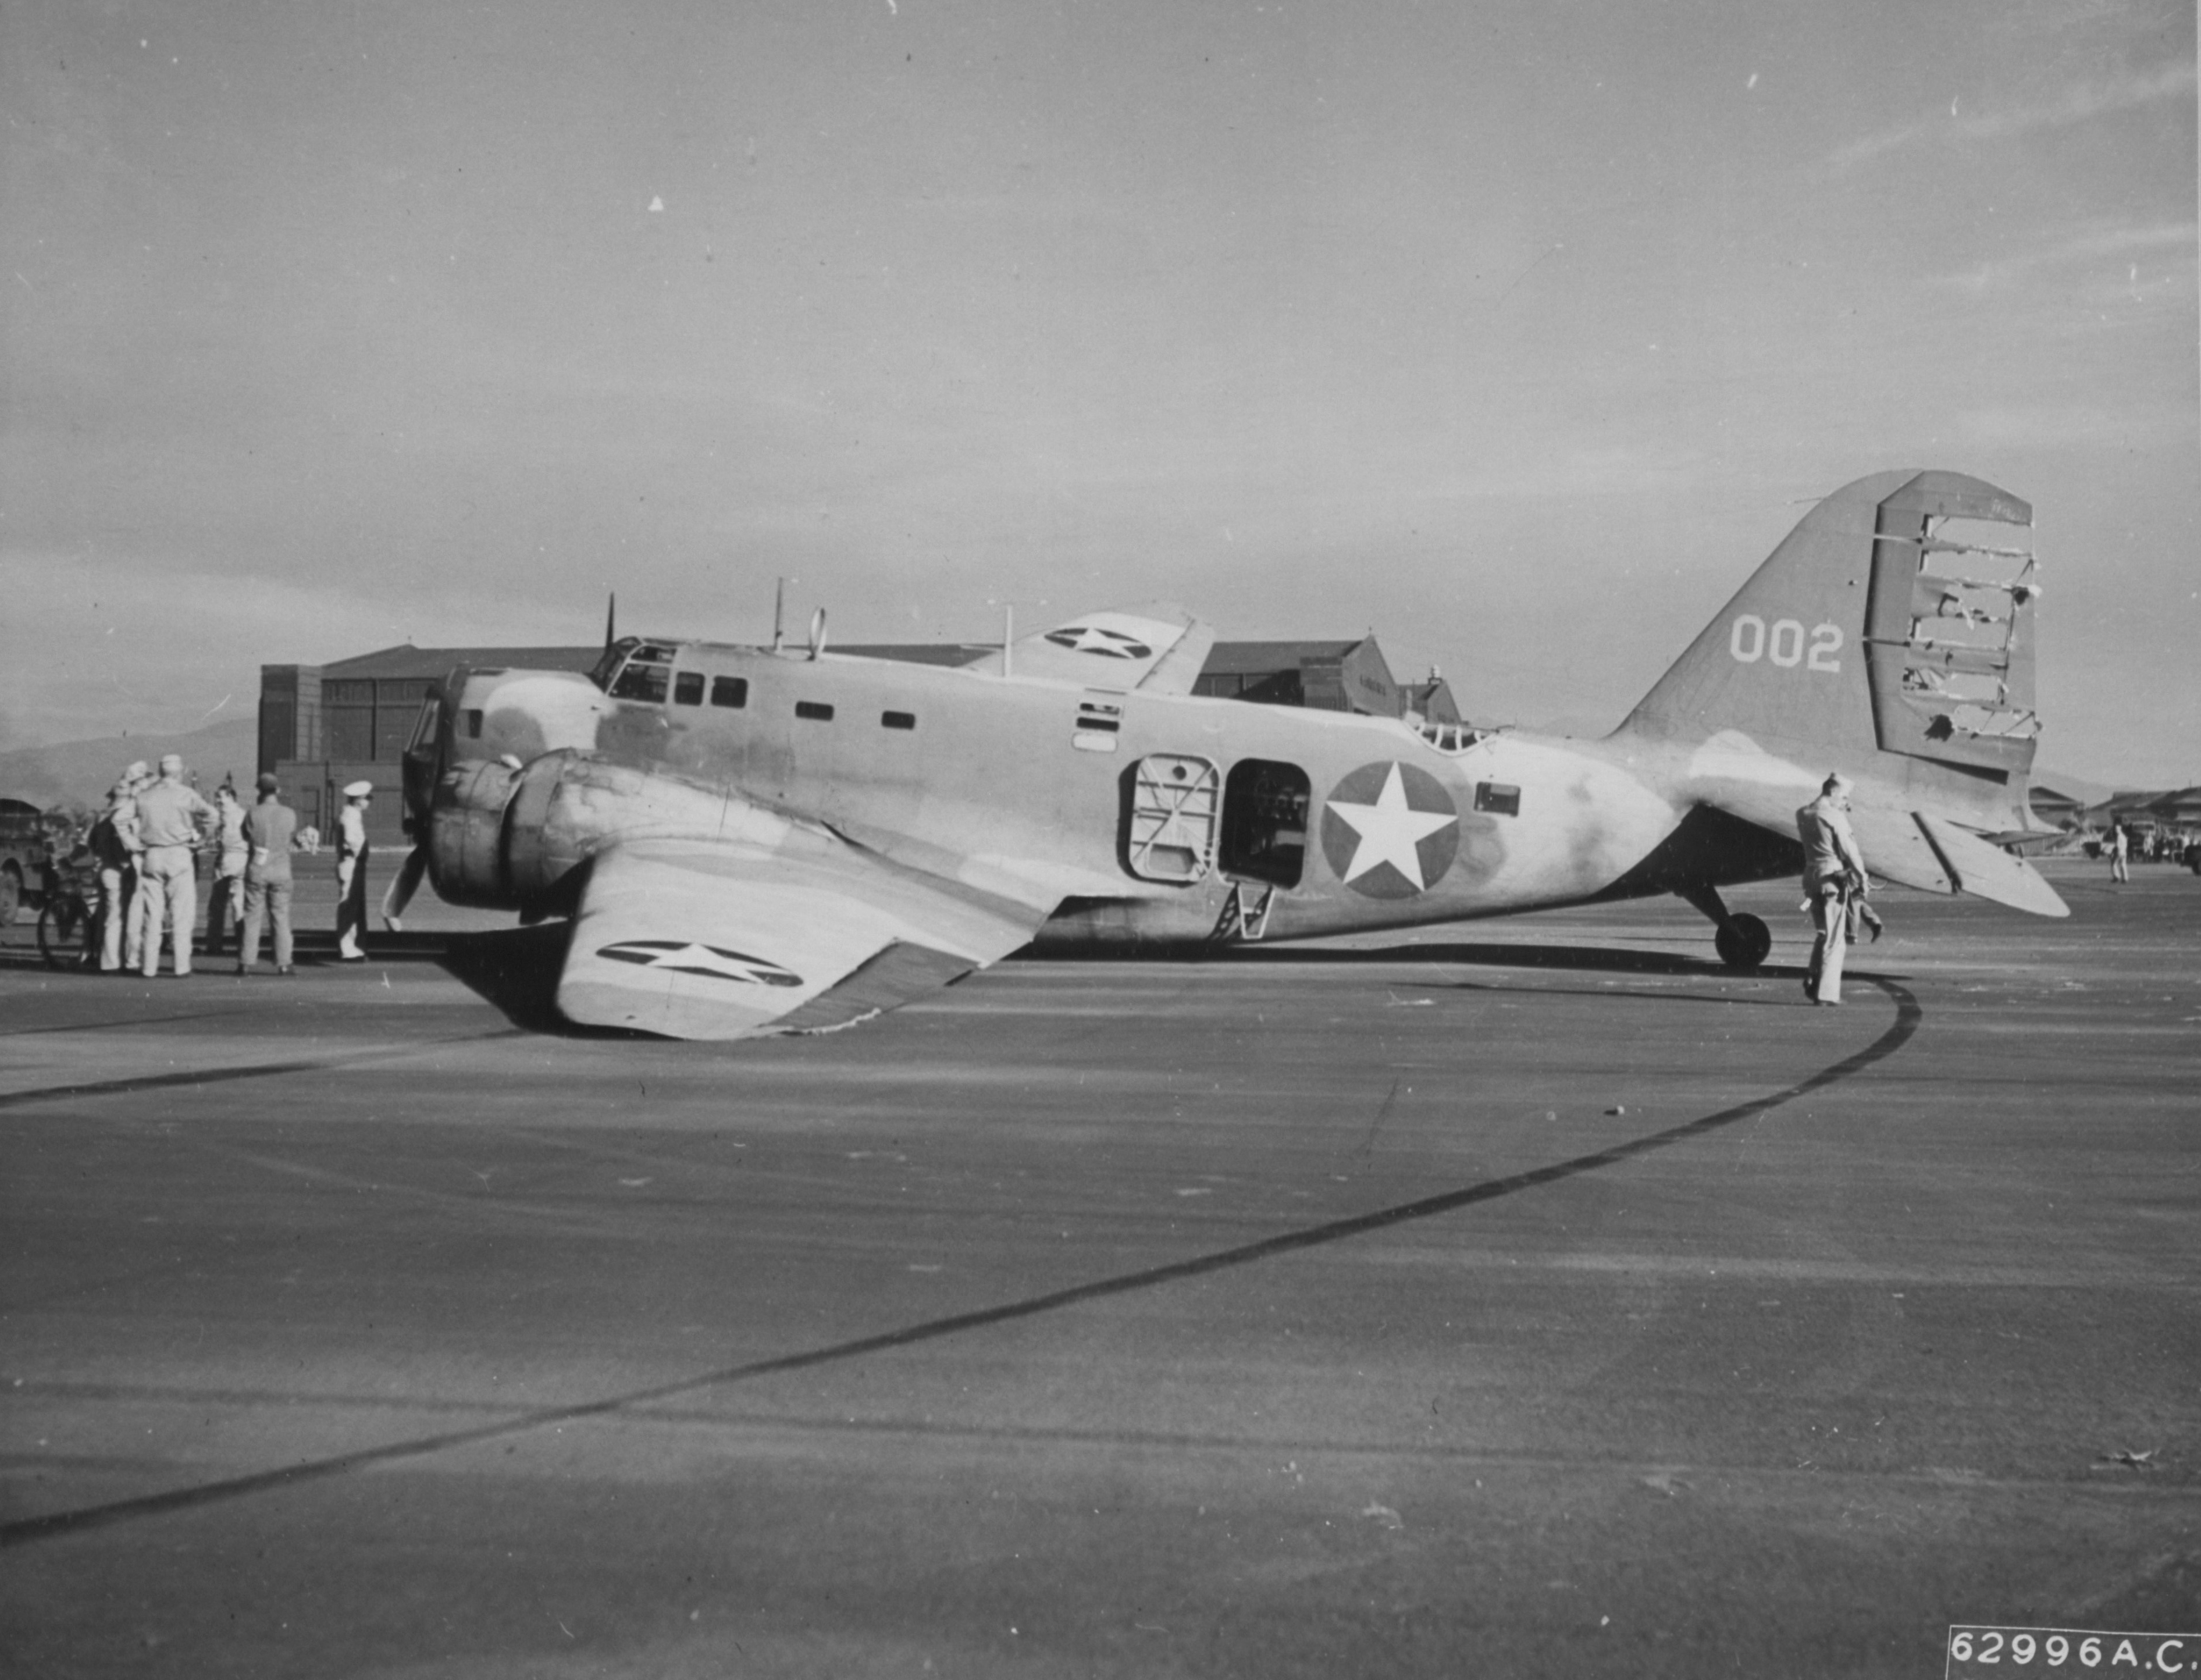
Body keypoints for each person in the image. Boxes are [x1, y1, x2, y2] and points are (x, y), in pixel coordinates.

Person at [133, 753, 215, 977]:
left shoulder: (144, 796)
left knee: (153, 915)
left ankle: (148, 967)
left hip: (152, 855)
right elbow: (212, 815)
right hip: (179, 854)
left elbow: (123, 819)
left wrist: (134, 842)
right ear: (180, 772)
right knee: (181, 915)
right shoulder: (186, 794)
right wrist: (203, 840)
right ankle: (181, 966)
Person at [1795, 771, 1871, 1006]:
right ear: (1834, 791)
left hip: (1810, 877)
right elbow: (1850, 851)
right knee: (1835, 940)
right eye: (1844, 797)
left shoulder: (1803, 813)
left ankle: (1812, 978)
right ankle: (1826, 994)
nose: (1845, 802)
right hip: (1831, 878)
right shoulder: (1834, 816)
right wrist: (1863, 879)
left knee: (1823, 933)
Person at [237, 773, 298, 974]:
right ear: (278, 790)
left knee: (252, 916)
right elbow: (291, 837)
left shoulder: (252, 813)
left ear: (259, 791)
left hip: (258, 868)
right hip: (281, 869)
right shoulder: (289, 813)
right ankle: (284, 963)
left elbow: (245, 836)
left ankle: (246, 962)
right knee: (281, 916)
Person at [87, 773, 143, 973]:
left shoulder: (102, 816)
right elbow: (121, 845)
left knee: (109, 916)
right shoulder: (123, 817)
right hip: (121, 868)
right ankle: (121, 961)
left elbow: (92, 843)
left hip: (104, 868)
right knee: (125, 917)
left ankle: (107, 960)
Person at [204, 781, 249, 956]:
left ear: (230, 797)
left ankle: (214, 945)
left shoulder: (225, 816)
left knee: (217, 907)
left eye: (221, 799)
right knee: (239, 906)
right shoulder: (244, 815)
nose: (218, 803)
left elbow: (219, 839)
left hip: (229, 860)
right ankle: (243, 945)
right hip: (240, 861)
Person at [334, 780, 373, 960]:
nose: (369, 801)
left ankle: (355, 946)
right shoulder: (350, 816)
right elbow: (351, 839)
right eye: (368, 798)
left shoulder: (353, 814)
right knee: (349, 907)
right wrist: (361, 851)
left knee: (354, 907)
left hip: (354, 864)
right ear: (358, 799)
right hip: (351, 863)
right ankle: (348, 949)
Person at [2108, 819, 2130, 884]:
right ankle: (2125, 879)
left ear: (2119, 830)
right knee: (2123, 865)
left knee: (2113, 863)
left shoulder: (2119, 836)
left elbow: (2117, 846)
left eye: (2116, 829)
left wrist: (2112, 852)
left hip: (2119, 852)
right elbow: (2126, 845)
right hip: (2124, 852)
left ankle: (2117, 876)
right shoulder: (2124, 836)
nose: (2115, 830)